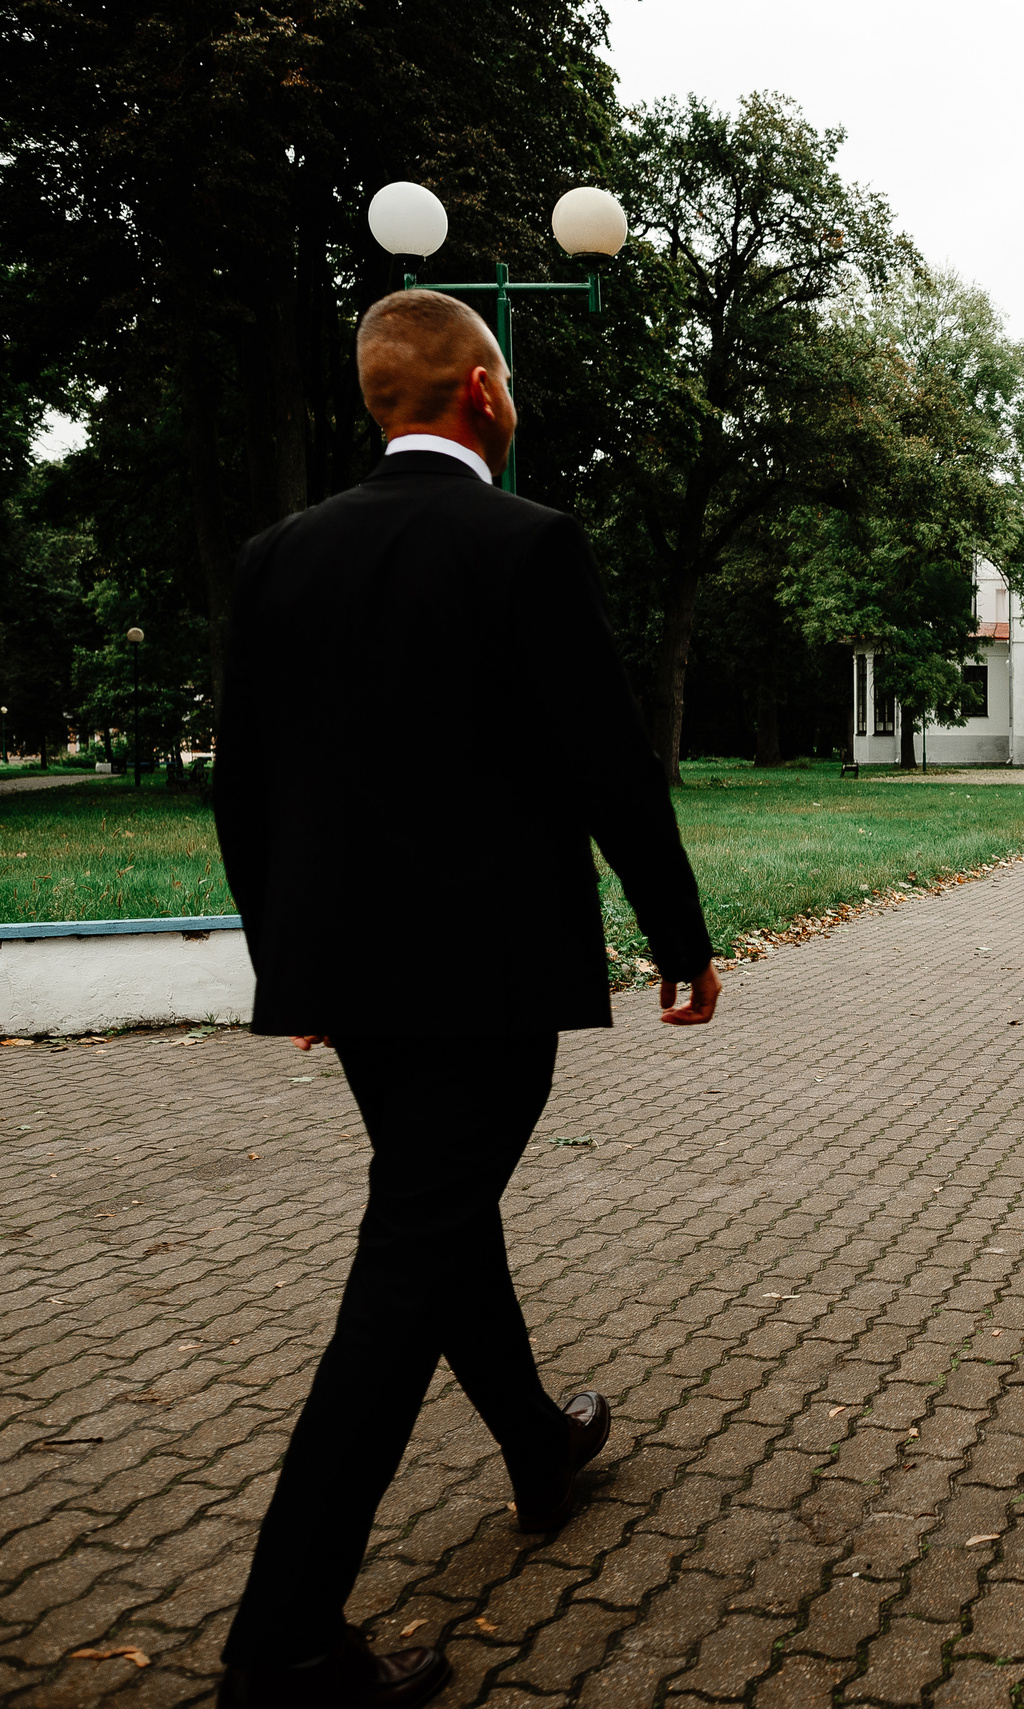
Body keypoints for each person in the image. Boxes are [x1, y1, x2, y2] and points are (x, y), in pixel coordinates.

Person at [212, 289, 722, 1708]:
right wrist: (678, 937)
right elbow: (610, 767)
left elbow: (243, 789)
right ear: (482, 393)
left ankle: (541, 1444)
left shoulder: (278, 558)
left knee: (440, 1212)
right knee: (414, 1245)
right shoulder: (526, 545)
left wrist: (289, 963)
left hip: (357, 990)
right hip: (491, 984)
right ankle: (286, 1641)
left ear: (383, 400)